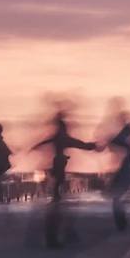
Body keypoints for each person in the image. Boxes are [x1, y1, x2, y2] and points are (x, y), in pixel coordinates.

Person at [30, 105, 99, 249]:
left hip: (53, 174)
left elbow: (41, 144)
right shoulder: (62, 138)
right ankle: (54, 238)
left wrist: (31, 149)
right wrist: (93, 146)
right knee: (57, 207)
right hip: (57, 174)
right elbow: (81, 144)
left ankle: (54, 236)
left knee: (56, 205)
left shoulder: (55, 138)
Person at [103, 99, 130, 233]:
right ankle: (122, 222)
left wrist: (108, 141)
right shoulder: (129, 131)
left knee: (116, 196)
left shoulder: (127, 129)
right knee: (118, 195)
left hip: (126, 167)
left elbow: (118, 141)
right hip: (127, 166)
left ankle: (121, 223)